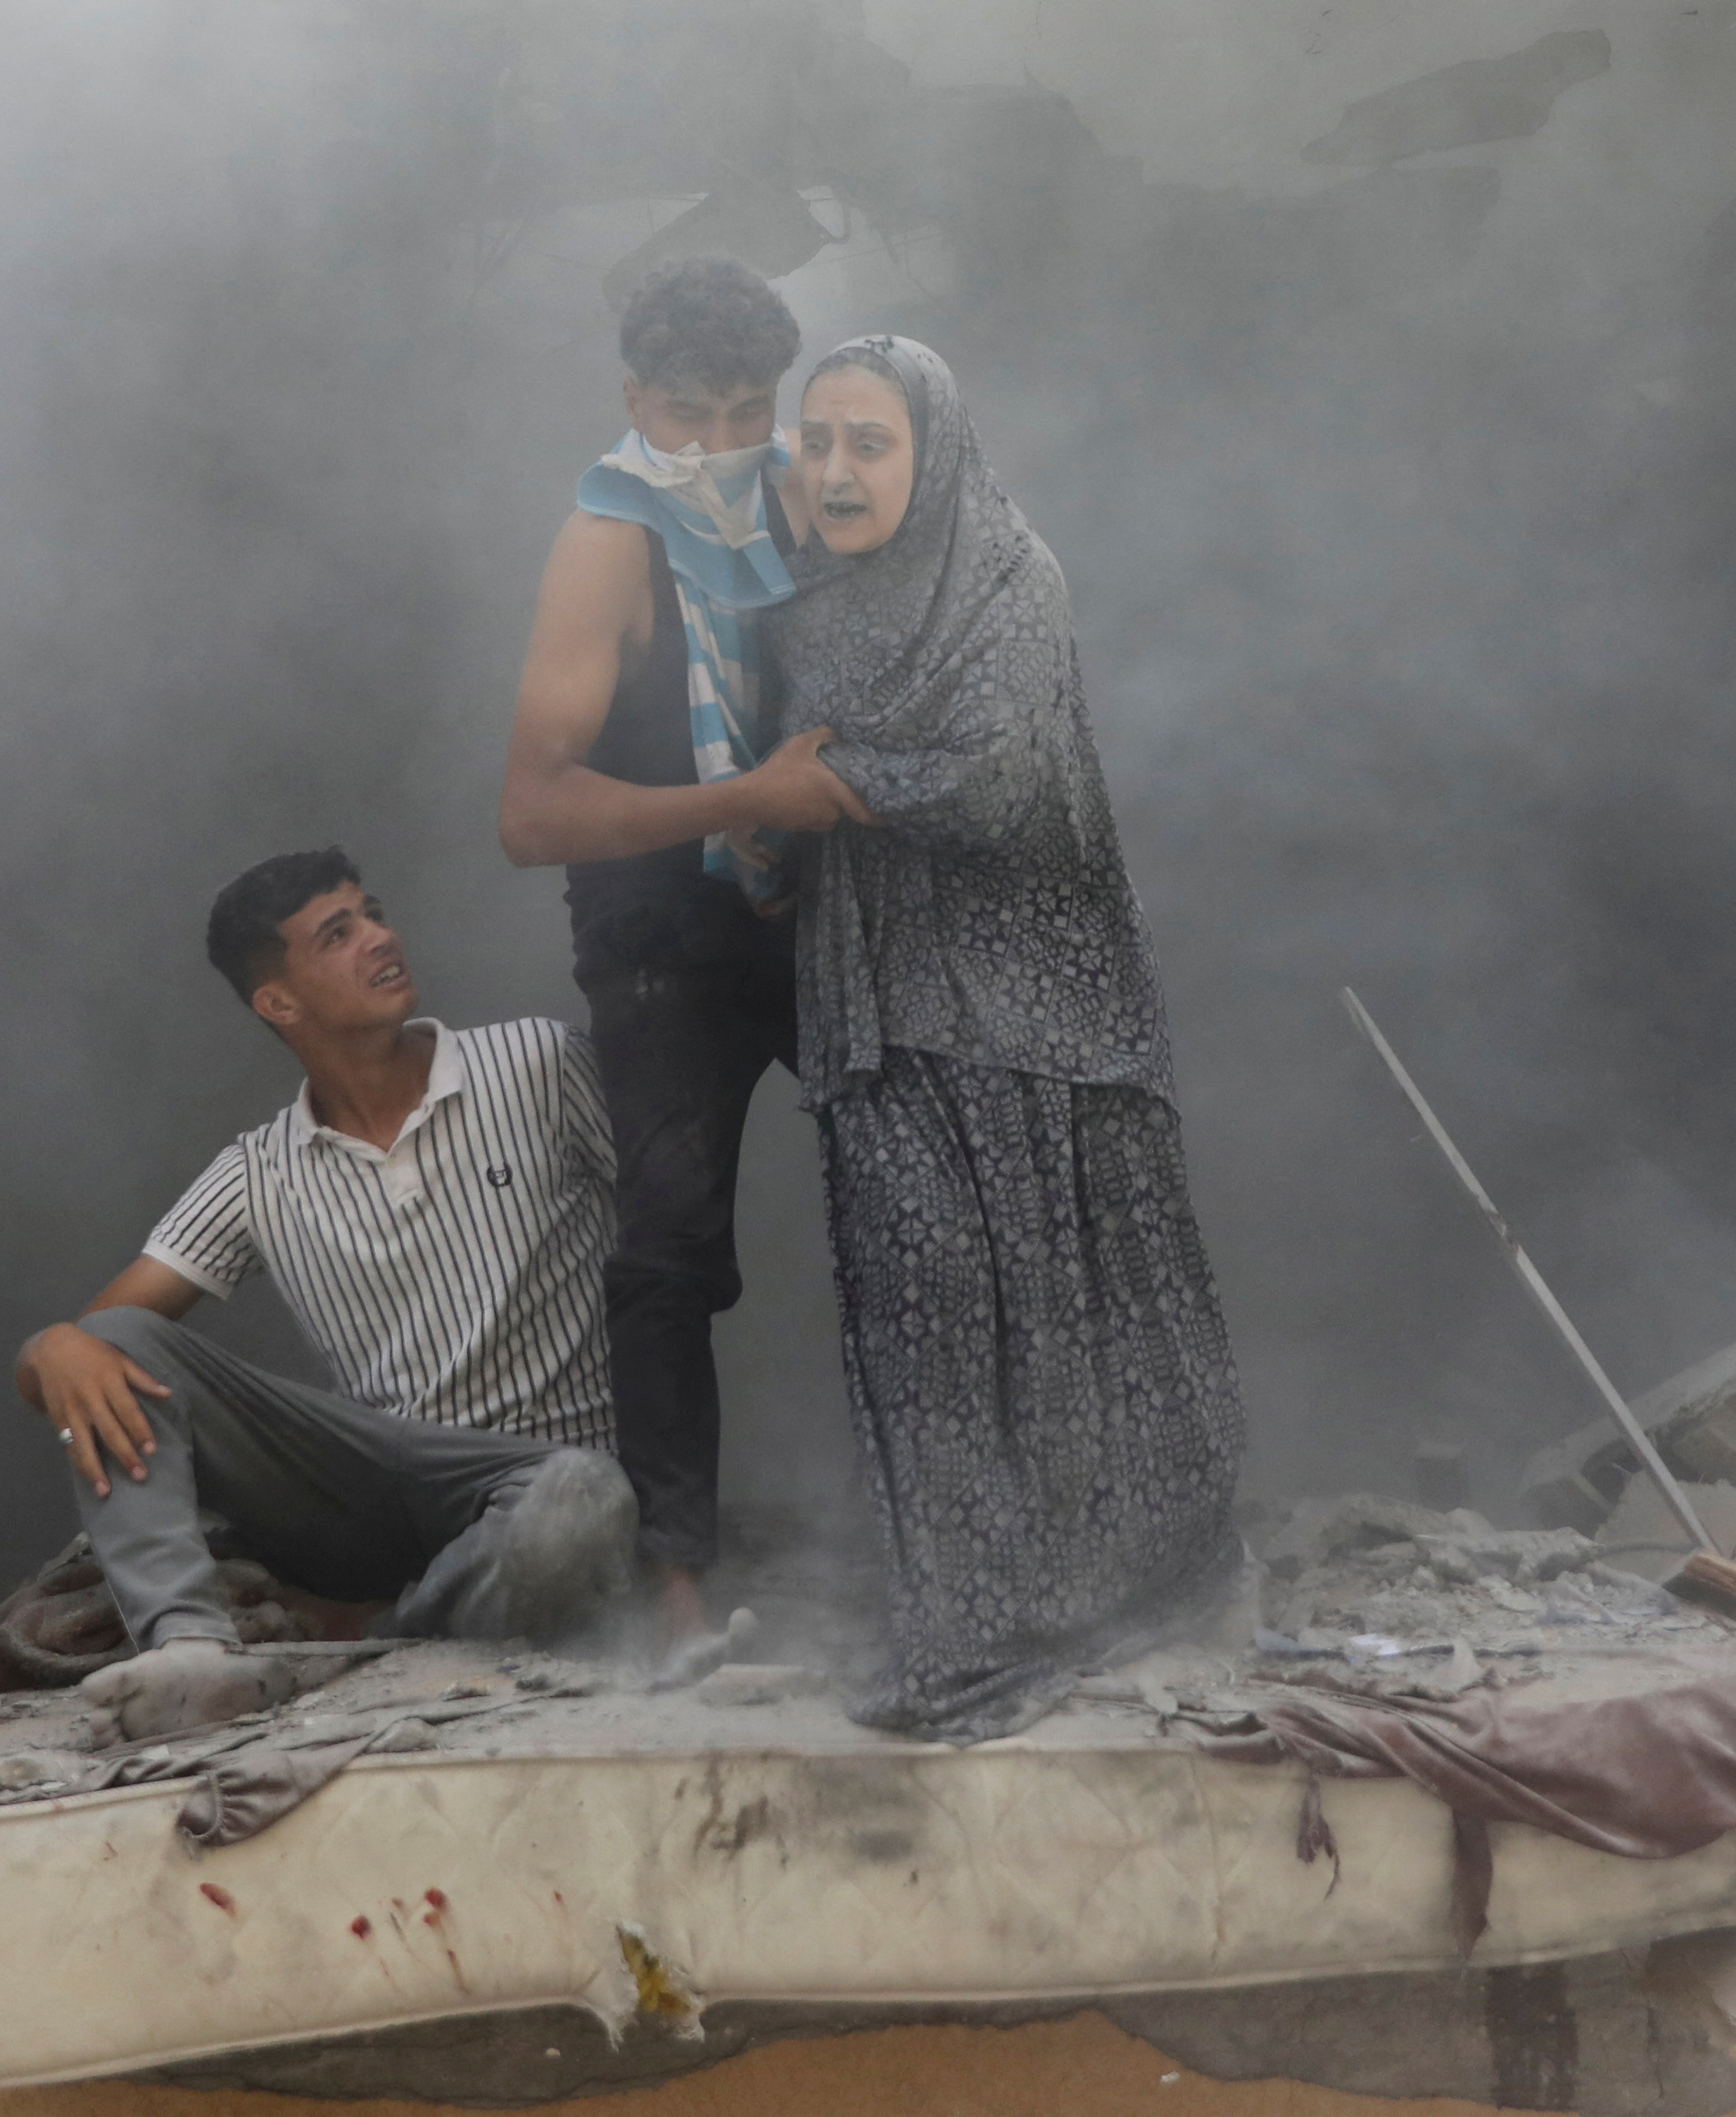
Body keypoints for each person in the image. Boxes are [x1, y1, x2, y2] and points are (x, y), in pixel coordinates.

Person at [761, 335, 1248, 1740]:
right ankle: (966, 1631)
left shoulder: (1009, 578)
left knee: (1063, 1311)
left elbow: (995, 782)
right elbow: (777, 804)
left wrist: (816, 786)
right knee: (922, 1303)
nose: (837, 471)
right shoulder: (806, 609)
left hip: (1037, 1012)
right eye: (818, 441)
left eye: (869, 443)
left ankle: (1127, 1587)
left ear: (934, 454)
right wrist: (762, 826)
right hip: (881, 1005)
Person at [13, 848, 637, 1742]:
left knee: (581, 1497)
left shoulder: (537, 1063)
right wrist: (49, 1346)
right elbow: (87, 1349)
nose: (380, 937)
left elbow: (675, 1245)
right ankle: (191, 1648)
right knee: (108, 1341)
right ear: (279, 1002)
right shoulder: (258, 1172)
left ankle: (374, 1643)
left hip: (548, 1479)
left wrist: (679, 1545)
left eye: (373, 913)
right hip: (387, 1481)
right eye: (338, 934)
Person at [498, 257, 862, 1635]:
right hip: (657, 928)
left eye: (747, 411)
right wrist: (743, 799)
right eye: (687, 415)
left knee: (927, 1186)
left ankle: (959, 1521)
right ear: (633, 398)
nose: (718, 444)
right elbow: (531, 816)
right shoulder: (606, 543)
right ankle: (675, 1589)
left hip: (811, 912)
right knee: (666, 1245)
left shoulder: (805, 488)